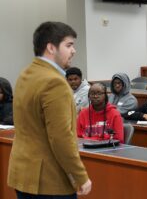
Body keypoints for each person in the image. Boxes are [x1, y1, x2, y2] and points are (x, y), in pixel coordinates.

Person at [8, 21, 91, 198]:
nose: (73, 51)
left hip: (23, 174)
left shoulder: (26, 73)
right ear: (51, 48)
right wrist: (81, 176)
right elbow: (61, 138)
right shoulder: (55, 83)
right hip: (49, 180)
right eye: (69, 45)